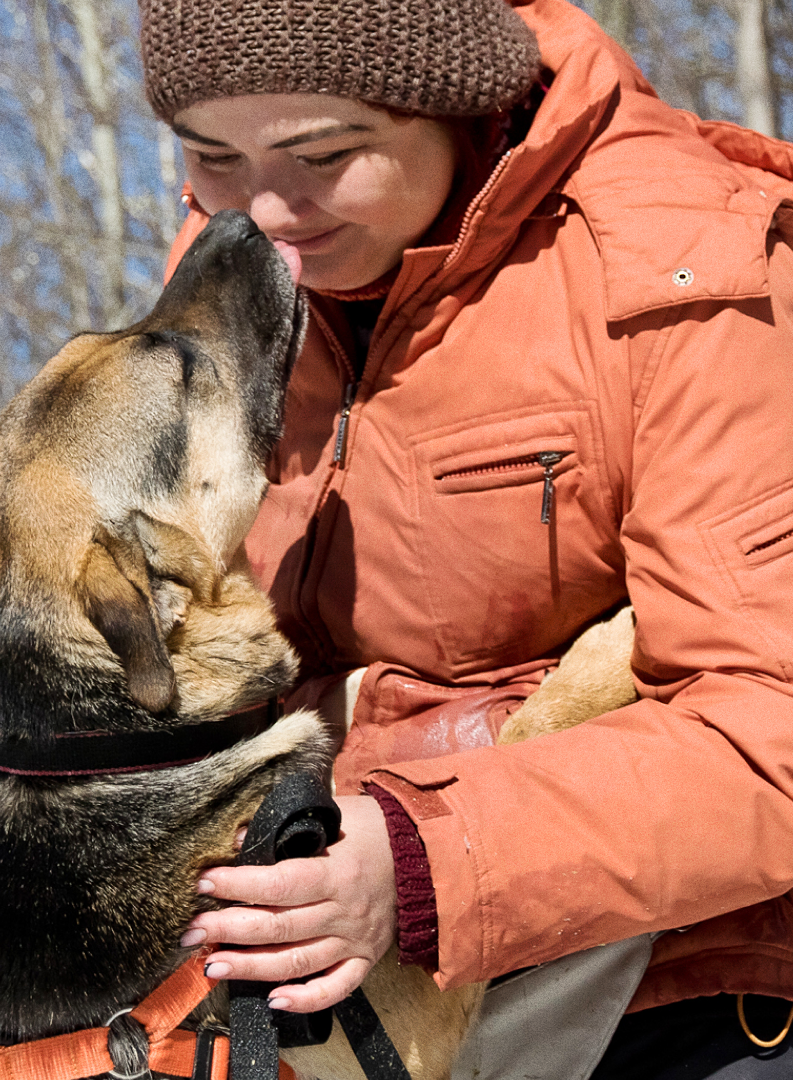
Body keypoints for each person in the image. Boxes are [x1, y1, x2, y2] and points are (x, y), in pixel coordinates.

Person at [137, 0, 793, 1075]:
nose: (263, 210)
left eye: (322, 155)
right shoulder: (242, 278)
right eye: (210, 156)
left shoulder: (685, 267)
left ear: (454, 105)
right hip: (339, 976)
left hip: (669, 973)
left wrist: (420, 863)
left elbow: (771, 725)